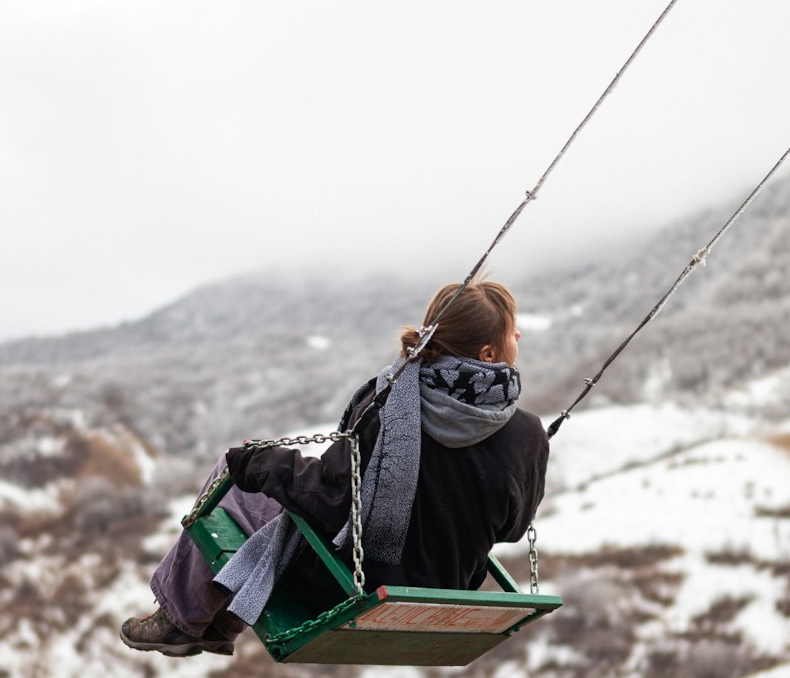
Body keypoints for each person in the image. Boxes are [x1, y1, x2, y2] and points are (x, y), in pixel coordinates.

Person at [121, 280, 549, 657]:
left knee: (235, 477)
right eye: (514, 330)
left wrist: (258, 463)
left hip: (352, 583)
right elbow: (512, 529)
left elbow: (332, 500)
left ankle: (180, 620)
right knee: (266, 494)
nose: (519, 336)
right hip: (448, 593)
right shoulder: (528, 433)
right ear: (489, 352)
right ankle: (214, 625)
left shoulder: (392, 402)